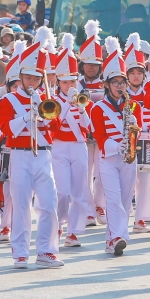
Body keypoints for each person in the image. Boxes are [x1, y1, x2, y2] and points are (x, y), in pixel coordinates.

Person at [0, 27, 63, 269]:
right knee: (21, 204)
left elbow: (55, 127)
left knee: (48, 203)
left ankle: (46, 250)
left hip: (43, 155)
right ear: (21, 78)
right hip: (20, 155)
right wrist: (27, 116)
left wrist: (44, 115)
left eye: (37, 79)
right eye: (29, 78)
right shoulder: (8, 100)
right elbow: (7, 129)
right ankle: (20, 252)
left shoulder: (47, 100)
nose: (33, 83)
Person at [89, 35, 145, 258]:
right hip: (109, 158)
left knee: (124, 200)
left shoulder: (133, 106)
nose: (120, 86)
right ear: (107, 85)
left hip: (129, 158)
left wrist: (135, 126)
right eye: (115, 83)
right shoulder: (98, 108)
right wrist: (117, 145)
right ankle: (118, 237)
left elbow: (137, 131)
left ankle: (111, 241)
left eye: (122, 82)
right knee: (112, 199)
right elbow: (99, 136)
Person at [47, 33, 90, 249]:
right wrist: (66, 105)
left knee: (80, 190)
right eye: (65, 82)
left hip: (79, 146)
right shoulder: (53, 101)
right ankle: (60, 223)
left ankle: (74, 231)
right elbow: (53, 126)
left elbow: (88, 128)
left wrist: (81, 108)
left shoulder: (83, 100)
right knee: (62, 191)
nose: (69, 85)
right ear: (59, 82)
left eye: (72, 81)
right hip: (59, 147)